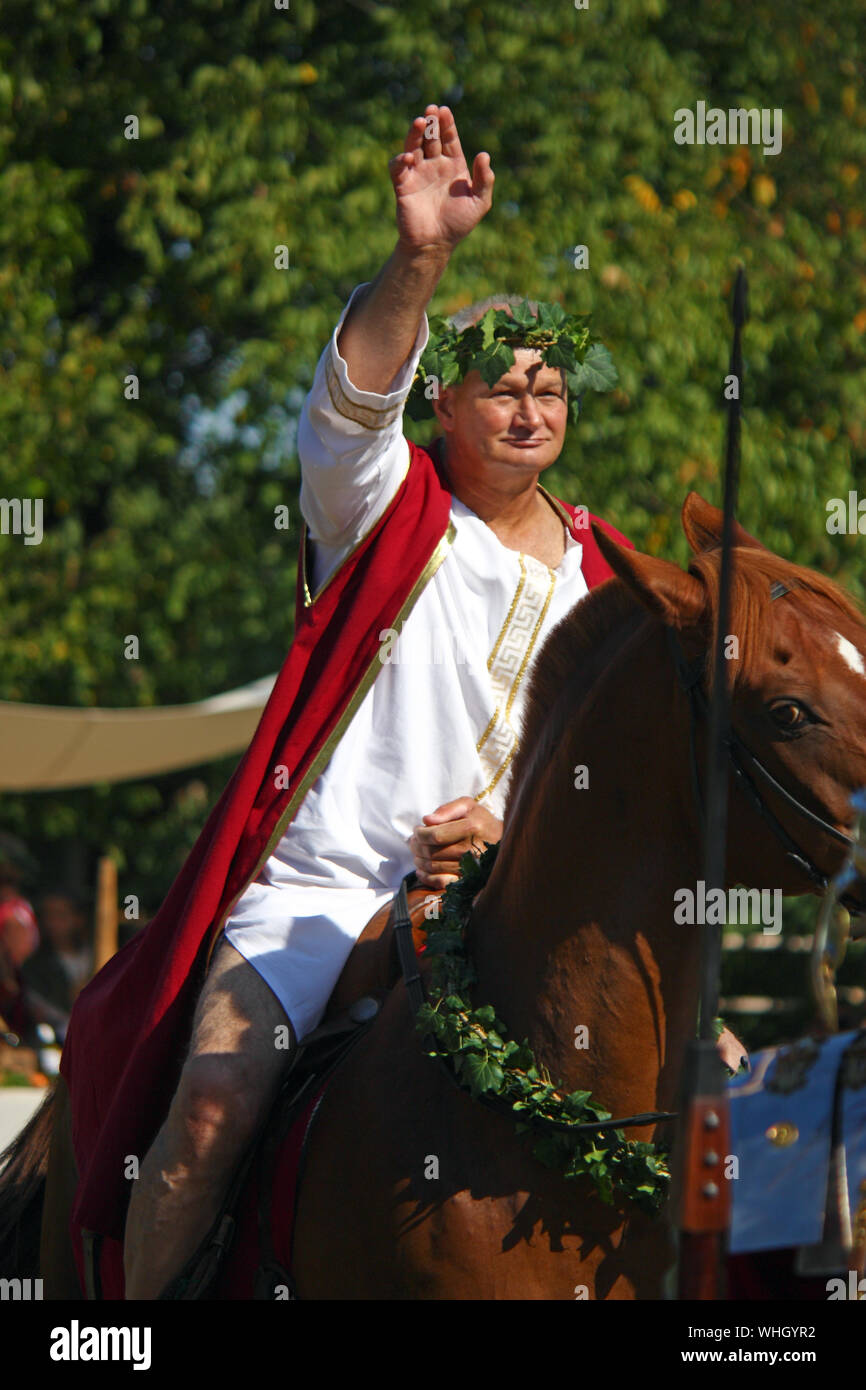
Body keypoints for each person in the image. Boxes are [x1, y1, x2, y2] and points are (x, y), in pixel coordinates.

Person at [66, 106, 740, 1299]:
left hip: (506, 913)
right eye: (499, 387)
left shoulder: (607, 579)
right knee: (213, 1110)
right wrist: (421, 256)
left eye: (549, 387)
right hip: (325, 897)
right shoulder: (384, 509)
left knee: (708, 1098)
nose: (530, 408)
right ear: (441, 403)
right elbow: (346, 406)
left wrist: (511, 837)